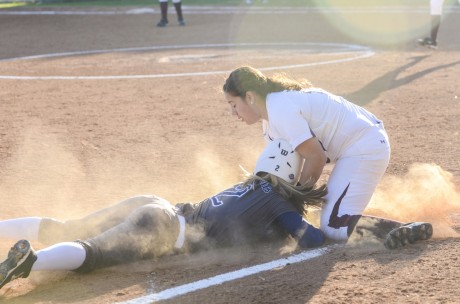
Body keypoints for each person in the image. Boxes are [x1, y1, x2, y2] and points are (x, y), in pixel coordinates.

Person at [0, 139, 328, 290]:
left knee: (68, 228)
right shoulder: (278, 204)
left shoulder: (250, 185)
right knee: (93, 252)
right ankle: (29, 262)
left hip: (158, 205)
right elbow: (311, 239)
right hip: (163, 228)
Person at [223, 66, 433, 247]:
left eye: (234, 104)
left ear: (249, 97)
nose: (233, 113)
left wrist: (295, 201)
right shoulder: (269, 121)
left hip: (363, 147)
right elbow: (289, 170)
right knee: (321, 216)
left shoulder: (280, 110)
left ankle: (400, 229)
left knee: (334, 227)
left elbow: (316, 158)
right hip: (354, 146)